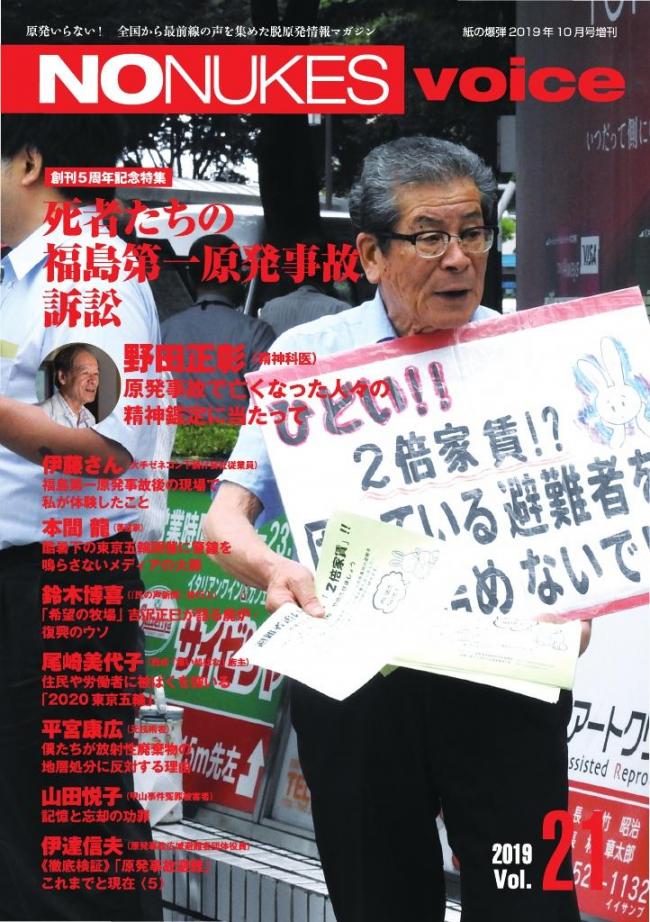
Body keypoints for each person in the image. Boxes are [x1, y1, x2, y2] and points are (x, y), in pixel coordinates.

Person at [204, 136, 591, 922]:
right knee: (380, 899)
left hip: (504, 676)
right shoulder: (307, 358)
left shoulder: (530, 356)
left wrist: (578, 594)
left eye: (474, 232)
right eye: (429, 236)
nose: (459, 258)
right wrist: (274, 571)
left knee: (528, 898)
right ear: (371, 255)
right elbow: (223, 518)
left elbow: (576, 515)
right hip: (358, 683)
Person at [0, 115, 164, 920]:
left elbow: (104, 446)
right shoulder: (13, 276)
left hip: (60, 584)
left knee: (69, 826)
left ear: (29, 160)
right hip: (22, 582)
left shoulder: (89, 271)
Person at [161, 233, 275, 420]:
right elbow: (270, 402)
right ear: (238, 275)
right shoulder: (256, 334)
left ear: (190, 277)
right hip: (238, 438)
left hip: (175, 437)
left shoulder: (164, 332)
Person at [39, 343, 99, 428]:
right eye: (85, 373)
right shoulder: (42, 415)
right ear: (62, 377)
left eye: (96, 374)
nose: (93, 380)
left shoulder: (90, 419)